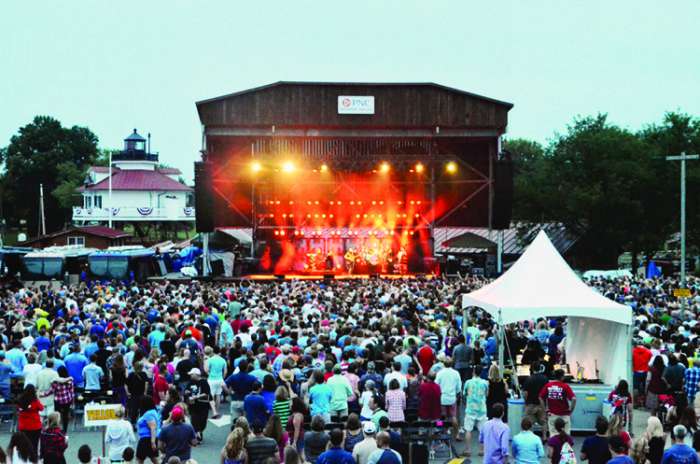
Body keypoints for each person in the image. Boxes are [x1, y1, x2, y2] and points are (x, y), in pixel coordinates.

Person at [539, 369, 576, 436]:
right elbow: (573, 399)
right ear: (562, 377)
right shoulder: (565, 386)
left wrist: (544, 410)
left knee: (553, 436)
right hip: (564, 415)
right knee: (566, 436)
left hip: (553, 414)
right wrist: (571, 410)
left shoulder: (548, 385)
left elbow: (540, 397)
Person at [462, 367, 488, 457]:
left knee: (468, 429)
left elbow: (464, 394)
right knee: (482, 430)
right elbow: (487, 394)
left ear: (473, 372)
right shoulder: (485, 383)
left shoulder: (468, 382)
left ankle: (468, 450)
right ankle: (482, 450)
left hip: (470, 408)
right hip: (481, 408)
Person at [435, 357, 462, 440]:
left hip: (442, 397)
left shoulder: (440, 373)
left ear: (443, 364)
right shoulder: (456, 373)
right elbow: (458, 387)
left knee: (441, 417)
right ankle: (457, 434)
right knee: (453, 416)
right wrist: (457, 393)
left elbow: (436, 384)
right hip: (452, 397)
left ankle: (441, 430)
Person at [184, 367, 212, 442]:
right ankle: (196, 435)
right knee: (194, 421)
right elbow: (186, 389)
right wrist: (186, 392)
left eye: (191, 374)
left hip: (203, 406)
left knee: (203, 421)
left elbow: (207, 393)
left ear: (196, 374)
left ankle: (199, 432)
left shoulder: (204, 382)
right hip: (193, 405)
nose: (190, 376)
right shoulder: (190, 382)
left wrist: (196, 397)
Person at [522, 361, 548, 436]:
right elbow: (547, 392)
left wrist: (525, 401)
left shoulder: (529, 379)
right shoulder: (545, 378)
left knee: (529, 422)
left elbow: (525, 393)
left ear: (532, 369)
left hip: (530, 404)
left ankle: (530, 436)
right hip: (542, 404)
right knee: (543, 422)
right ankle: (544, 437)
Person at [17, 384, 44, 454]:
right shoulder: (35, 401)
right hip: (35, 426)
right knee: (34, 445)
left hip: (23, 426)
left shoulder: (20, 401)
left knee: (24, 445)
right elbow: (41, 408)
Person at [136, 396, 161, 464]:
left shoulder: (148, 414)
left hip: (147, 439)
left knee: (140, 458)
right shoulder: (153, 412)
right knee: (153, 458)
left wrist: (152, 442)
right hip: (149, 438)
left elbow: (153, 428)